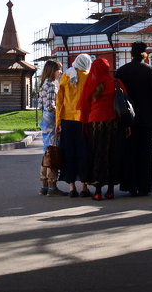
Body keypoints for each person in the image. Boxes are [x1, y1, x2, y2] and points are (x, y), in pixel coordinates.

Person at [115, 41, 152, 196]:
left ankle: (130, 186)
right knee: (144, 153)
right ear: (145, 54)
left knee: (128, 152)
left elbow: (116, 95)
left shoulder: (121, 71)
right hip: (146, 118)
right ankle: (143, 186)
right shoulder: (150, 71)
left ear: (131, 54)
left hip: (127, 119)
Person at [80, 56, 124, 200]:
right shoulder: (115, 82)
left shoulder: (90, 83)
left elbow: (84, 105)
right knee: (112, 153)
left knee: (97, 154)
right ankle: (110, 190)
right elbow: (124, 100)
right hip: (112, 121)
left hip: (95, 122)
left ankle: (98, 191)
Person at [55, 53, 93, 198]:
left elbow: (59, 101)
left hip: (67, 120)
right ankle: (84, 186)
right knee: (84, 152)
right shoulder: (89, 76)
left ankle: (72, 188)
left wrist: (58, 122)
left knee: (69, 153)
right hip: (85, 121)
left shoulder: (66, 76)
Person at [37, 59, 63, 195]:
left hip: (45, 119)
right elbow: (50, 106)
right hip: (52, 119)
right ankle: (52, 185)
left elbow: (42, 105)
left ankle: (44, 185)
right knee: (53, 151)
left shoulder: (43, 84)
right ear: (53, 70)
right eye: (59, 69)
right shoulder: (52, 85)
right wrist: (60, 114)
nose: (60, 72)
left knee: (46, 151)